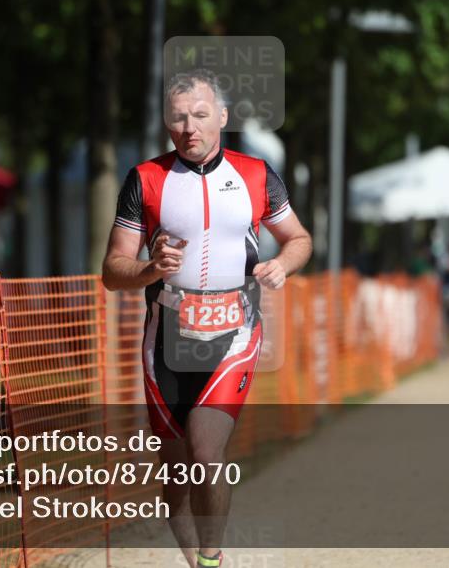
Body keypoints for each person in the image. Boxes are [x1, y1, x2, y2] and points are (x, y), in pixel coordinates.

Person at [101, 69, 312, 568]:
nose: (189, 127)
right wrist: (150, 268)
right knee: (175, 477)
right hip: (166, 339)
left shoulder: (257, 174)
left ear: (222, 116)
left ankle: (213, 558)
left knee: (205, 451)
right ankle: (196, 562)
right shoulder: (146, 179)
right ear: (166, 123)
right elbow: (113, 270)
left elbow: (299, 238)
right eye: (177, 117)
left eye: (199, 115)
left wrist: (281, 264)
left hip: (233, 333)